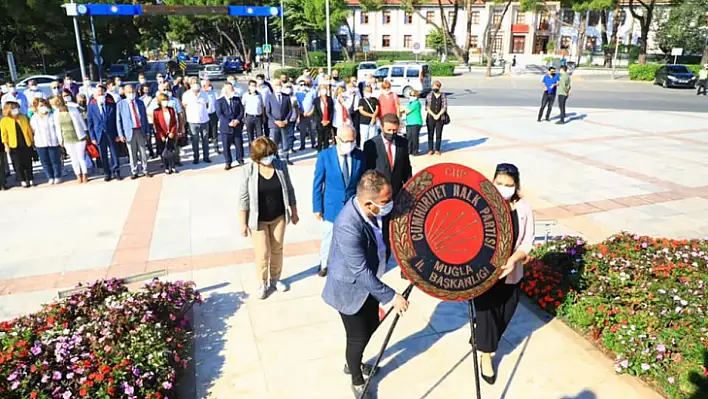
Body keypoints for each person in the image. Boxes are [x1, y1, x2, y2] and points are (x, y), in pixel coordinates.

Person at [321, 170, 410, 398]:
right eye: (385, 201)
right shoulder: (347, 224)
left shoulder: (374, 211)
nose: (389, 204)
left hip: (370, 284)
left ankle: (354, 361)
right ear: (368, 202)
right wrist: (392, 297)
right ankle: (356, 377)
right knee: (357, 337)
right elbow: (359, 270)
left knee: (371, 324)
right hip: (350, 289)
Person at [473, 162, 535, 385]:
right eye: (499, 183)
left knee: (504, 314)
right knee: (487, 316)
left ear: (516, 186)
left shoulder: (524, 208)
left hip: (511, 272)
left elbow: (528, 241)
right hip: (484, 275)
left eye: (508, 185)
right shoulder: (482, 204)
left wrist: (514, 259)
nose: (503, 188)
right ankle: (486, 356)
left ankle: (483, 339)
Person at [237, 137, 299, 299]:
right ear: (257, 157)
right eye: (265, 154)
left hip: (278, 216)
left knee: (277, 249)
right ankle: (262, 283)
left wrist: (294, 212)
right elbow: (243, 198)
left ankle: (275, 279)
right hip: (258, 220)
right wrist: (242, 223)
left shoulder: (280, 166)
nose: (269, 157)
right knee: (263, 252)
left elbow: (290, 190)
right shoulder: (249, 170)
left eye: (271, 153)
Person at [312, 124, 366, 278]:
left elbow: (363, 181)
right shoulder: (325, 156)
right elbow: (317, 183)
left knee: (354, 237)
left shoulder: (360, 156)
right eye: (346, 141)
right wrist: (317, 207)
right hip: (331, 205)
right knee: (329, 237)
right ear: (336, 139)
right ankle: (324, 264)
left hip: (352, 206)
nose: (349, 144)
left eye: (352, 140)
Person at [363, 113, 412, 278]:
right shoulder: (371, 145)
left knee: (400, 231)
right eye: (389, 130)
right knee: (381, 232)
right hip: (379, 197)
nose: (392, 133)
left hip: (398, 195)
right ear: (382, 127)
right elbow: (368, 171)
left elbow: (406, 167)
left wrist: (410, 187)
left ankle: (404, 267)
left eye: (395, 130)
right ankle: (382, 261)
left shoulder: (403, 143)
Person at [50, 96, 89, 183]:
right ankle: (78, 175)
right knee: (74, 158)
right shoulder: (56, 113)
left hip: (79, 137)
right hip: (67, 138)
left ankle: (85, 174)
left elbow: (81, 122)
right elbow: (57, 127)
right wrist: (60, 140)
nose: (53, 106)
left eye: (53, 104)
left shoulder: (73, 110)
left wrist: (86, 132)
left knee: (81, 157)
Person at [87, 84, 122, 181]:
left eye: (102, 92)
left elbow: (116, 120)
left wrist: (118, 134)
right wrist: (92, 137)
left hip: (111, 133)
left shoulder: (111, 104)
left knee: (114, 153)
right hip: (99, 134)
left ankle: (116, 171)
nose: (100, 93)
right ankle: (107, 173)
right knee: (103, 155)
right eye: (98, 92)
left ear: (105, 93)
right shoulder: (92, 105)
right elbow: (90, 122)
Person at [117, 85, 151, 179]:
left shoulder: (140, 102)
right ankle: (134, 171)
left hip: (140, 130)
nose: (131, 94)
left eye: (133, 92)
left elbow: (144, 118)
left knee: (143, 152)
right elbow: (118, 120)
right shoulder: (121, 104)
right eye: (129, 92)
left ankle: (145, 170)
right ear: (125, 93)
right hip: (129, 131)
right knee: (132, 153)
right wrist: (121, 134)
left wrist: (148, 132)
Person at [1, 101, 34, 187]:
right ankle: (22, 180)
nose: (16, 110)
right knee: (18, 164)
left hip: (25, 142)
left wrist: (32, 141)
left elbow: (28, 130)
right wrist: (6, 145)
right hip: (14, 145)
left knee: (28, 162)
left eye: (17, 108)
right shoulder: (4, 121)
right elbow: (4, 134)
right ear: (8, 110)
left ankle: (30, 179)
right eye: (13, 108)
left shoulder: (23, 117)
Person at [31, 98, 63, 184]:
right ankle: (50, 177)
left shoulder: (52, 116)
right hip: (40, 143)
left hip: (53, 141)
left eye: (44, 105)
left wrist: (60, 140)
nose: (43, 107)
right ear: (36, 107)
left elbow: (57, 128)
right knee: (45, 162)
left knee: (55, 161)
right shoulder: (34, 118)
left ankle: (57, 176)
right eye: (41, 106)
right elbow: (33, 131)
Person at [216, 82, 245, 170]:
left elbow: (241, 111)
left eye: (233, 89)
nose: (233, 91)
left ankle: (240, 159)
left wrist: (237, 120)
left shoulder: (237, 99)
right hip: (226, 127)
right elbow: (220, 114)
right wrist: (229, 122)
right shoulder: (219, 101)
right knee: (226, 146)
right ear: (225, 91)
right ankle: (228, 162)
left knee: (239, 144)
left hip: (237, 126)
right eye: (231, 89)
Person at [182, 77, 211, 164]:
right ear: (190, 84)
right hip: (193, 121)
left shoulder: (204, 93)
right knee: (195, 140)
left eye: (196, 82)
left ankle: (206, 157)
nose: (195, 83)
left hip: (204, 120)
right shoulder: (186, 94)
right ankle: (196, 158)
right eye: (193, 82)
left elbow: (207, 105)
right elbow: (184, 105)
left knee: (205, 140)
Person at [265, 81, 293, 165]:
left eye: (279, 85)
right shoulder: (269, 97)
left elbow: (290, 110)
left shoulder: (286, 97)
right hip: (274, 124)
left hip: (285, 123)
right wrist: (275, 121)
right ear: (273, 87)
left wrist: (286, 120)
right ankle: (274, 158)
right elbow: (268, 112)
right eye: (276, 85)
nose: (278, 87)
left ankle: (286, 158)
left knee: (285, 142)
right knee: (274, 142)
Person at [153, 93, 179, 175]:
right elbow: (156, 125)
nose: (165, 102)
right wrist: (161, 135)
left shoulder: (171, 110)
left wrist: (172, 132)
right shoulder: (156, 111)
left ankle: (173, 166)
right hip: (162, 134)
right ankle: (166, 167)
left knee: (171, 150)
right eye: (163, 100)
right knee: (164, 152)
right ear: (160, 101)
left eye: (166, 100)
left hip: (170, 133)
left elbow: (174, 122)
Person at [425, 81, 448, 155]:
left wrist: (438, 115)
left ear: (439, 87)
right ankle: (430, 149)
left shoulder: (443, 95)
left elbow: (444, 106)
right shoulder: (429, 95)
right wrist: (433, 115)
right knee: (430, 133)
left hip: (440, 118)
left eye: (437, 87)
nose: (435, 88)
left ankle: (437, 149)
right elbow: (427, 107)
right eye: (434, 87)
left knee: (438, 134)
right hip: (430, 117)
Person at [297, 78, 317, 150]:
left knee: (312, 130)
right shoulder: (297, 94)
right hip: (302, 115)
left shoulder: (312, 92)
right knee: (302, 131)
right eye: (301, 85)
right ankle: (302, 145)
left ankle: (313, 144)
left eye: (304, 84)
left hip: (311, 114)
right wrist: (301, 113)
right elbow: (297, 105)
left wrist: (311, 112)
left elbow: (315, 103)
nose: (303, 86)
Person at [313, 85, 334, 152]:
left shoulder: (330, 99)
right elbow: (315, 112)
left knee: (326, 138)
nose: (323, 91)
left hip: (328, 122)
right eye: (322, 89)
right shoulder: (316, 100)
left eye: (325, 89)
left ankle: (326, 151)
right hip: (320, 122)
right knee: (320, 138)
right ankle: (319, 152)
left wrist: (329, 120)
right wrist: (321, 121)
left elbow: (332, 111)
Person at [202, 79, 220, 154]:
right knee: (205, 133)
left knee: (214, 131)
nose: (209, 86)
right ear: (203, 86)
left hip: (213, 114)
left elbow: (218, 102)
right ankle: (206, 150)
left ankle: (216, 147)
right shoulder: (200, 93)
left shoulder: (214, 93)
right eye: (208, 85)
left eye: (210, 85)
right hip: (204, 115)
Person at [404, 90, 423, 156]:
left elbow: (407, 111)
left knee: (414, 137)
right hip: (409, 122)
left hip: (416, 122)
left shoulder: (416, 103)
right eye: (411, 95)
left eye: (413, 95)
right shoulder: (410, 103)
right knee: (409, 137)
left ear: (417, 96)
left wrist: (402, 110)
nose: (412, 96)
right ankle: (409, 150)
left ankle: (415, 151)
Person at [285, 83, 299, 154]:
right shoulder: (283, 97)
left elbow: (296, 107)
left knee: (291, 134)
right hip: (284, 119)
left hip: (292, 118)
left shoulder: (294, 97)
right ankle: (285, 148)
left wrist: (297, 117)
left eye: (289, 87)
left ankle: (291, 147)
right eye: (287, 87)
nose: (288, 88)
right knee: (285, 135)